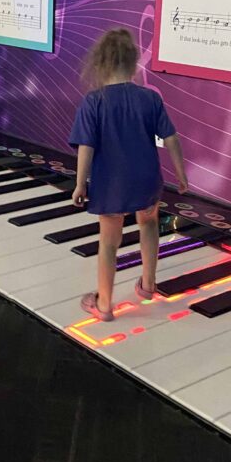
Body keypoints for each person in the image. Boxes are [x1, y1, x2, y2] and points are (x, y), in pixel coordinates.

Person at [69, 28, 189, 322]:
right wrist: (181, 176)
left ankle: (105, 305)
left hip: (111, 185)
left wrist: (80, 183)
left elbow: (87, 145)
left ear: (101, 63)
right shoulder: (149, 98)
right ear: (135, 62)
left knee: (109, 241)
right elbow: (171, 138)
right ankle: (148, 285)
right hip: (147, 180)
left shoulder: (94, 101)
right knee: (148, 226)